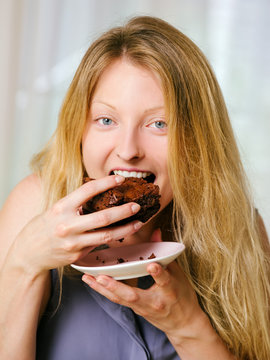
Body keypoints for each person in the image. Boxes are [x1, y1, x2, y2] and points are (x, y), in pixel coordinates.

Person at [0, 15, 269, 360]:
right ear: (80, 128)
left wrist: (187, 326)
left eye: (159, 124)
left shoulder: (237, 229)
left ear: (198, 141)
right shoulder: (37, 205)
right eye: (106, 120)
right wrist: (24, 262)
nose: (128, 150)